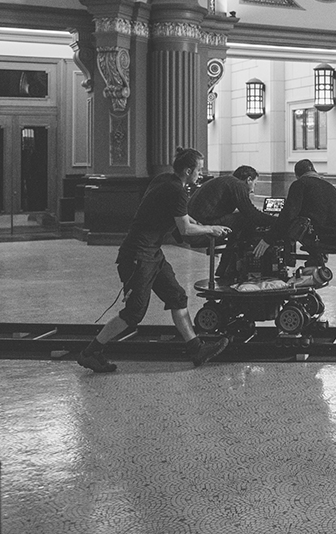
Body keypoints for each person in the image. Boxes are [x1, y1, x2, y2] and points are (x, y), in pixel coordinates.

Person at [78, 148, 232, 373]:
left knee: (177, 297)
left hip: (152, 254)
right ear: (188, 171)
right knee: (134, 313)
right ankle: (90, 352)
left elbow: (181, 215)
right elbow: (185, 229)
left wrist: (198, 221)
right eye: (199, 170)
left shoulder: (165, 180)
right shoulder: (176, 190)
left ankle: (196, 349)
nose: (201, 173)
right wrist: (211, 228)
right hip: (137, 256)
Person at [189, 165, 277, 283]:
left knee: (239, 223)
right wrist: (277, 221)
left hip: (196, 224)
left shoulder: (226, 181)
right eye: (254, 184)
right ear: (248, 180)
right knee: (244, 220)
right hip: (201, 228)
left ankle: (225, 269)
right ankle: (244, 266)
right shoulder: (238, 185)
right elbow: (251, 213)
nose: (253, 189)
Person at [255, 160, 336, 262]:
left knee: (289, 225)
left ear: (297, 175)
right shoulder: (329, 186)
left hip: (318, 236)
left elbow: (288, 214)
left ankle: (286, 261)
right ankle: (318, 258)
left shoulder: (300, 184)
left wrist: (268, 239)